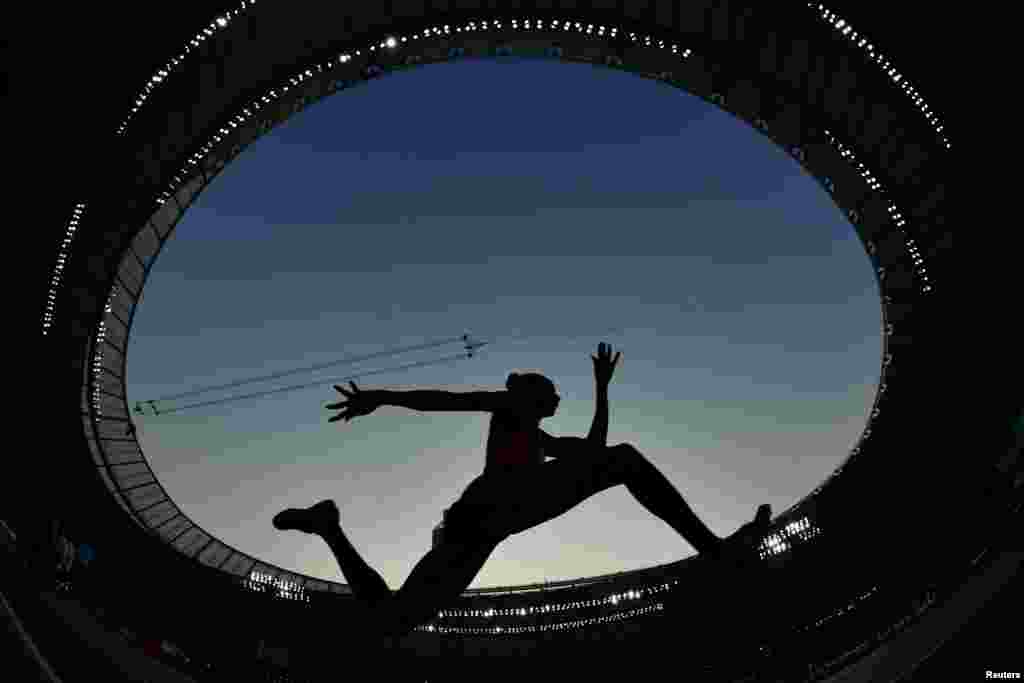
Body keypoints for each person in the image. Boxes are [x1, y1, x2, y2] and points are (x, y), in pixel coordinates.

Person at [273, 343, 770, 640]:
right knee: (623, 460)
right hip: (494, 506)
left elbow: (592, 451)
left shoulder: (539, 437)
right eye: (551, 391)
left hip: (481, 526)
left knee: (393, 619)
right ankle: (716, 551)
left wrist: (602, 389)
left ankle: (328, 528)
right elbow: (447, 401)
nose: (557, 397)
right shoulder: (510, 407)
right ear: (529, 393)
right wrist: (382, 397)